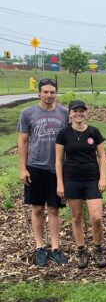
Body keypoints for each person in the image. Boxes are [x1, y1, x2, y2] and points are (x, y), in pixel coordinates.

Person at [17, 78, 68, 267]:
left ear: (56, 93)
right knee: (37, 208)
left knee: (54, 209)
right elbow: (23, 141)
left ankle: (55, 248)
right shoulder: (27, 113)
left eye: (52, 92)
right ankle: (39, 247)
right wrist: (23, 168)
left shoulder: (64, 113)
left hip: (57, 168)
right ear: (39, 93)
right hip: (35, 166)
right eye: (45, 92)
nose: (49, 95)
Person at [55, 100, 106, 269]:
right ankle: (81, 250)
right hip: (72, 180)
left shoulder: (94, 132)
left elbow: (102, 157)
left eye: (82, 111)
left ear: (86, 112)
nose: (79, 114)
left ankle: (98, 248)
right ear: (70, 114)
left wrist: (102, 178)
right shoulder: (63, 134)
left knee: (96, 217)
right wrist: (60, 183)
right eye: (75, 111)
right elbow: (58, 160)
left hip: (92, 179)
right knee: (76, 217)